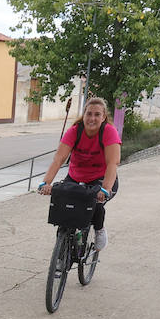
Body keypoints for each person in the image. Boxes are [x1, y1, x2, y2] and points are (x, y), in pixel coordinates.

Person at [37, 96, 121, 253]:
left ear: (103, 117)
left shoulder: (109, 132)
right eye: (89, 114)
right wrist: (46, 182)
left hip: (101, 178)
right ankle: (62, 250)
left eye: (97, 114)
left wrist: (105, 189)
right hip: (76, 177)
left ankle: (99, 230)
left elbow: (112, 163)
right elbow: (59, 159)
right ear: (84, 115)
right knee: (64, 205)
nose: (92, 118)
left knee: (96, 202)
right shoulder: (75, 131)